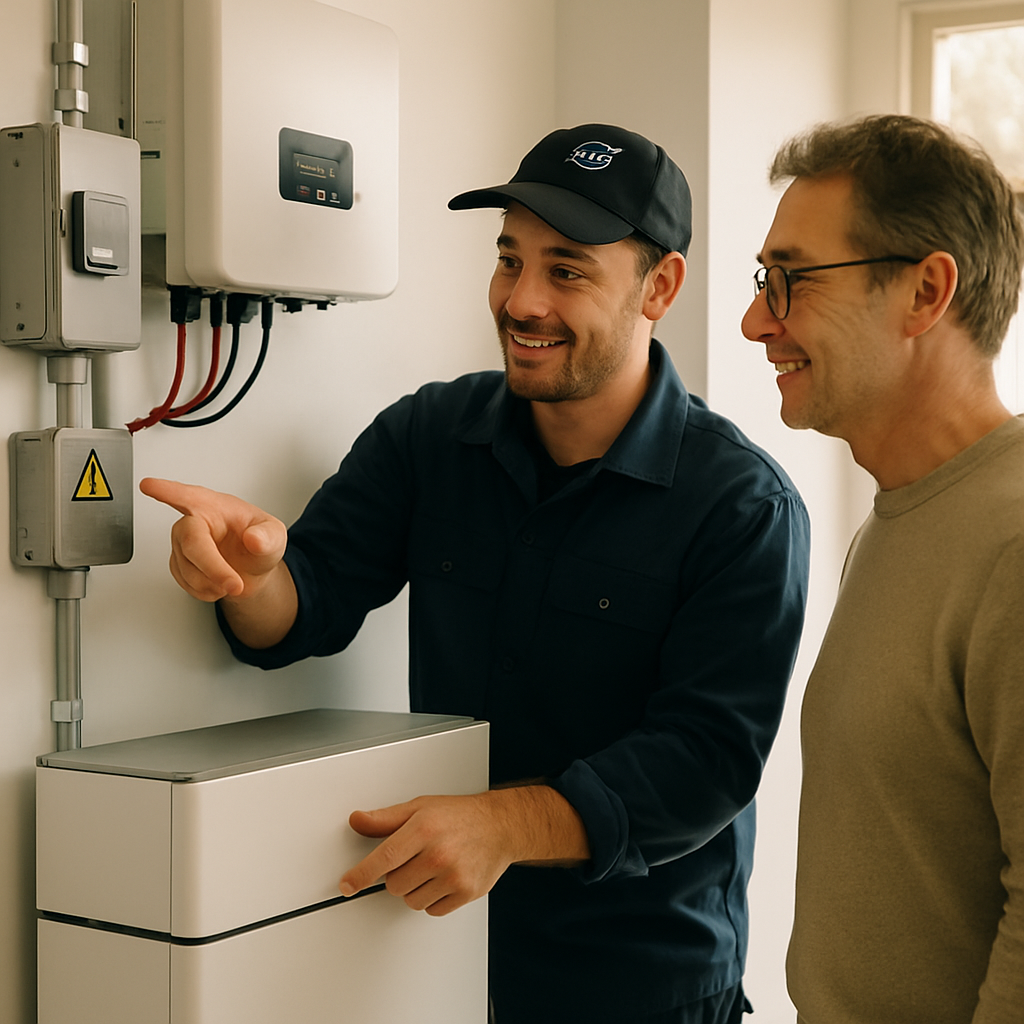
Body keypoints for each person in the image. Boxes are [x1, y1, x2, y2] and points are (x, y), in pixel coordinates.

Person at [143, 123, 810, 1024]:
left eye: (566, 270)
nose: (522, 300)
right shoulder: (429, 436)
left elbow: (705, 763)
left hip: (641, 986)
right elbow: (304, 609)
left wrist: (500, 823)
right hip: (442, 964)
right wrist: (245, 574)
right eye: (509, 260)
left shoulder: (742, 505)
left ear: (661, 286)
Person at [741, 113, 1024, 1024]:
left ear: (925, 291)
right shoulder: (900, 515)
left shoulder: (1013, 547)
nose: (756, 321)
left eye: (790, 281)